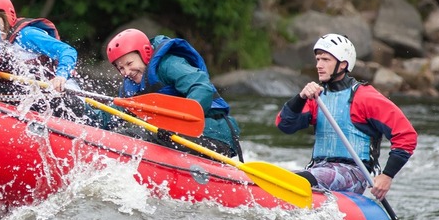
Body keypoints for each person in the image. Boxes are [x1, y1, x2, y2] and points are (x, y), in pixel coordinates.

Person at [275, 33, 417, 199]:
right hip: (318, 169)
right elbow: (285, 125)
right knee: (279, 177)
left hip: (353, 174)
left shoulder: (365, 97)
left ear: (342, 64)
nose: (319, 65)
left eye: (325, 60)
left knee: (298, 179)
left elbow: (406, 136)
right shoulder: (317, 98)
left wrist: (387, 176)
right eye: (318, 59)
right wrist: (300, 98)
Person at [106, 28, 243, 160]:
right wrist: (86, 112)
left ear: (145, 53)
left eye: (130, 63)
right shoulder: (131, 87)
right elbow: (114, 113)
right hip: (176, 135)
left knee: (137, 136)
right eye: (121, 68)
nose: (127, 72)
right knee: (127, 135)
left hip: (216, 132)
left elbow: (201, 87)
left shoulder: (169, 65)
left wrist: (176, 123)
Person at [0, 0, 78, 93]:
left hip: (62, 90)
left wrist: (61, 76)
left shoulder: (26, 35)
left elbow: (67, 51)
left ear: (6, 17)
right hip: (27, 94)